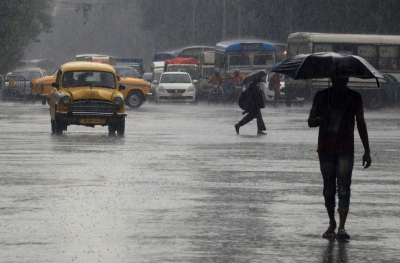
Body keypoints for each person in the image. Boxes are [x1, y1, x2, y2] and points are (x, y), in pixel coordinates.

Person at [308, 77, 372, 240]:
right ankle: (333, 223)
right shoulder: (322, 96)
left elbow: (361, 123)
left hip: (344, 149)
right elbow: (311, 121)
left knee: (343, 188)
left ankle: (341, 226)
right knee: (329, 188)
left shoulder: (354, 97)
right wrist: (324, 119)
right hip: (327, 149)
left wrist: (367, 149)